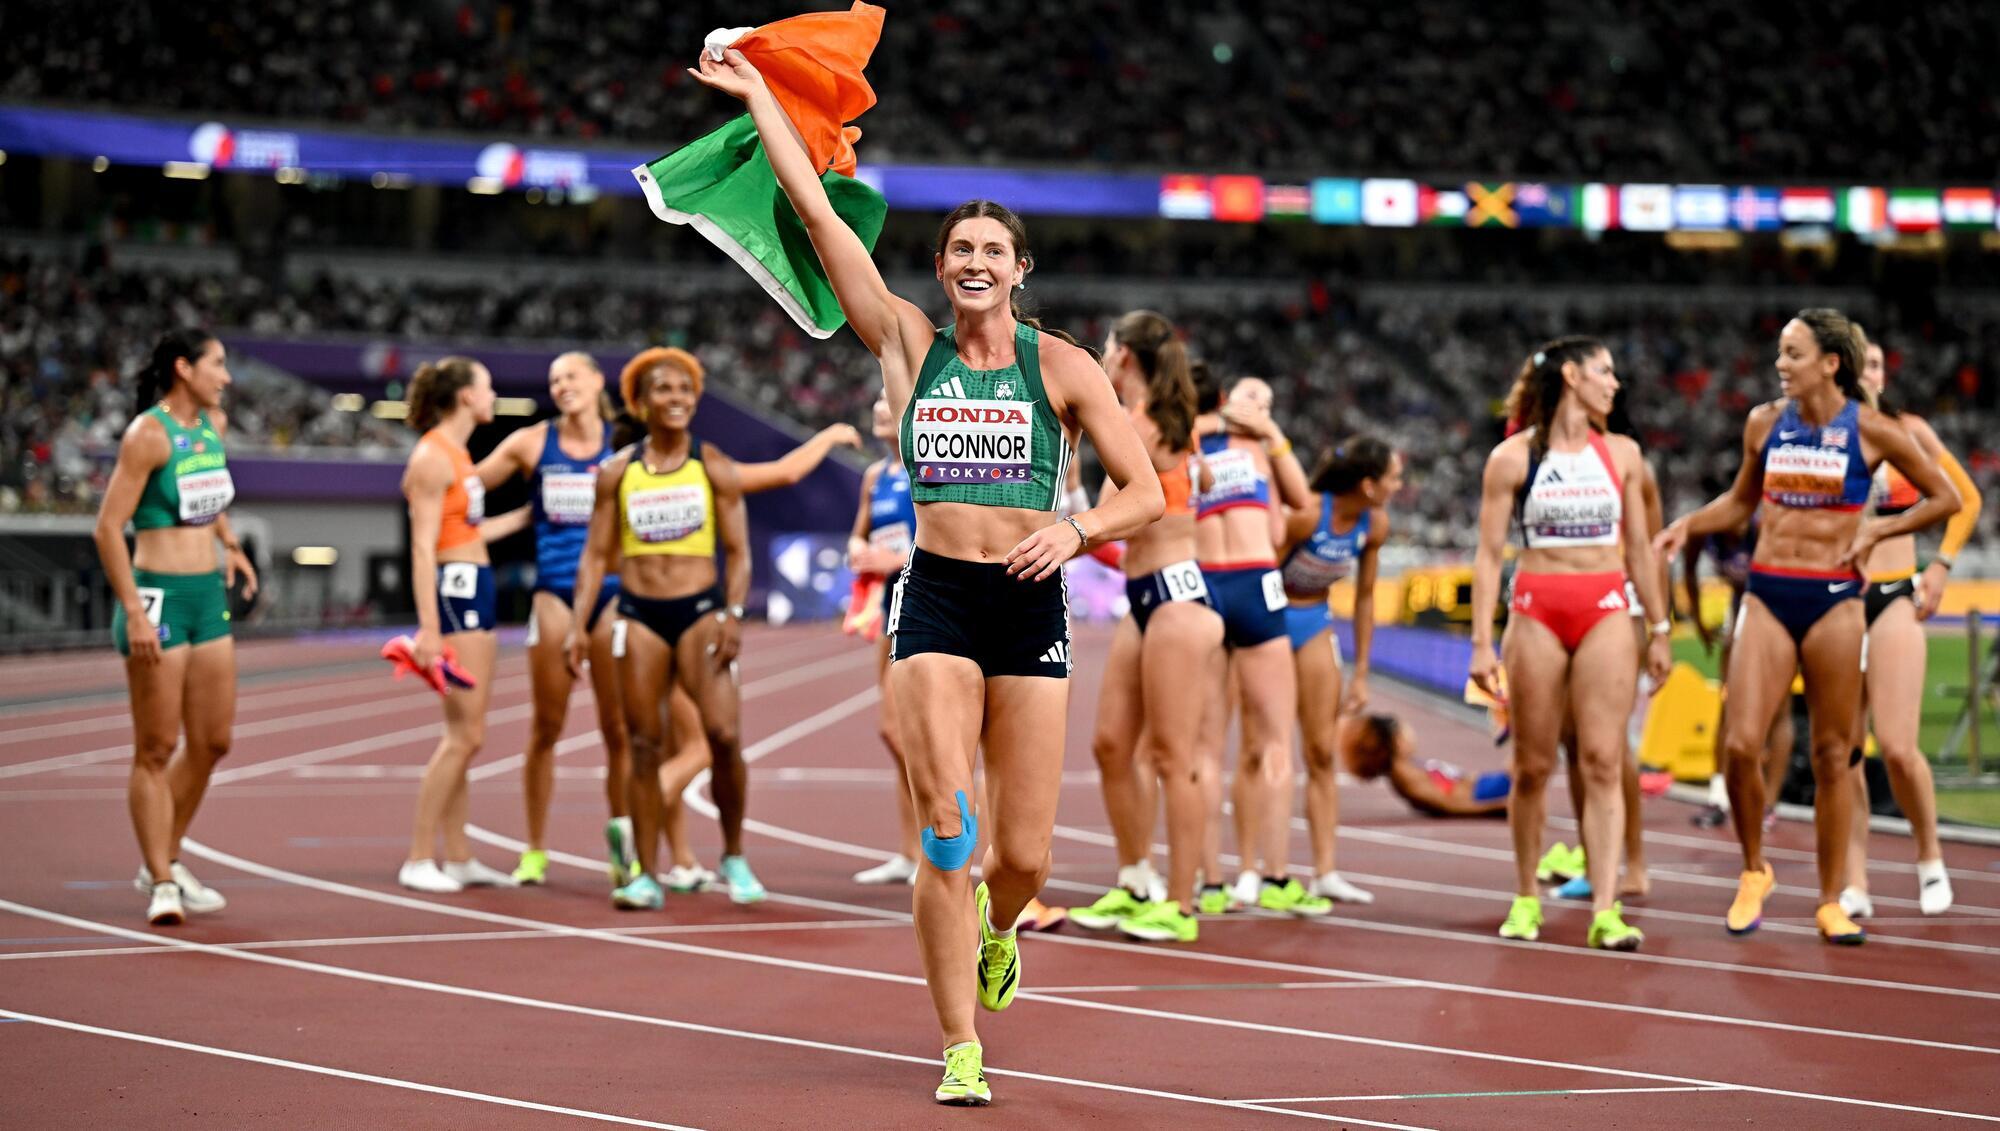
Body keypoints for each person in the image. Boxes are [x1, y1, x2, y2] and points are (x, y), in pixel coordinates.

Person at [693, 48, 1164, 1106]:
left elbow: (1145, 492)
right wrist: (764, 99)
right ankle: (960, 1043)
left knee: (1024, 855)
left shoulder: (1062, 365)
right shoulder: (906, 343)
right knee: (948, 828)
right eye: (960, 248)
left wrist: (1077, 531)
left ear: (1020, 269)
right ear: (943, 267)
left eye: (994, 249)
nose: (975, 261)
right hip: (938, 597)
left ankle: (1002, 926)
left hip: (1029, 605)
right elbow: (819, 217)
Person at [1654, 309, 1959, 945]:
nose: (1780, 365)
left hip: (1835, 601)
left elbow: (1947, 498)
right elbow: (1741, 503)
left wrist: (1878, 529)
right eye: (1780, 353)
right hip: (1768, 592)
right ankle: (1754, 870)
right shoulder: (1764, 423)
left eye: (1793, 354)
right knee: (1741, 744)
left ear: (1830, 363)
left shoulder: (1872, 430)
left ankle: (1829, 900)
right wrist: (1689, 525)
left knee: (1831, 755)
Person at [1469, 336, 1671, 950]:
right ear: (1571, 376)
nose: (1614, 383)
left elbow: (1639, 549)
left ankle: (1606, 909)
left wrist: (1660, 627)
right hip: (1536, 609)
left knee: (1604, 759)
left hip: (1605, 606)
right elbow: (1488, 555)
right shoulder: (1511, 458)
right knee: (1532, 765)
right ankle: (1525, 896)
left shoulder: (1624, 454)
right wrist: (1481, 643)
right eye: (1604, 371)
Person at [568, 347, 758, 910]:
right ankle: (646, 874)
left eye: (684, 389)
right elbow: (593, 555)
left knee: (723, 735)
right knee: (643, 743)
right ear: (641, 402)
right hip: (639, 616)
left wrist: (734, 612)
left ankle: (733, 855)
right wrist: (578, 626)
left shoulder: (713, 464)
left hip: (700, 612)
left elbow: (739, 552)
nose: (676, 398)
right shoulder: (616, 473)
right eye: (663, 389)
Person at [95, 329, 257, 925]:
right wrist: (135, 611)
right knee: (157, 748)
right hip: (158, 599)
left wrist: (230, 544)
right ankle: (162, 878)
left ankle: (163, 853)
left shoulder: (212, 425)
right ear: (185, 368)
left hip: (206, 597)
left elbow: (210, 497)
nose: (227, 377)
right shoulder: (148, 434)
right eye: (219, 364)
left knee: (214, 741)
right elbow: (107, 528)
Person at [1068, 310, 1219, 944]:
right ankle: (1136, 881)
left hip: (1178, 599)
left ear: (1125, 356)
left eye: (1107, 347)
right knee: (1111, 744)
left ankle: (1179, 905)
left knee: (1170, 756)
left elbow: (1107, 523)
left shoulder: (1145, 423)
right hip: (1146, 594)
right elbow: (1115, 535)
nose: (1102, 357)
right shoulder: (1161, 422)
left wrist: (1066, 511)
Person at [1840, 331, 1980, 918]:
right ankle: (1855, 881)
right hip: (1837, 601)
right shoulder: (1826, 436)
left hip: (1896, 592)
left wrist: (1940, 564)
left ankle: (1929, 858)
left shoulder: (1910, 431)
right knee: (1844, 752)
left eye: (1876, 364)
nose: (1870, 373)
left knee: (1897, 747)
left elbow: (1965, 499)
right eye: (1860, 365)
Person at [1192, 375, 1330, 917]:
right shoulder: (1194, 435)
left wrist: (1273, 435)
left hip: (1255, 581)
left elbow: (1303, 502)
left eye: (1270, 403)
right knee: (1206, 747)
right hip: (1206, 580)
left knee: (1275, 741)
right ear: (1227, 398)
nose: (1261, 407)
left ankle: (1274, 875)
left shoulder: (1266, 451)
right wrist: (1225, 424)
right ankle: (1210, 880)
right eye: (1254, 397)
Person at [397, 357, 515, 893]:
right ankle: (420, 856)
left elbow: (467, 531)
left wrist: (527, 516)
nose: (493, 395)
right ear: (466, 395)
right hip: (455, 592)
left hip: (475, 584)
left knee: (469, 735)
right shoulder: (432, 457)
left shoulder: (460, 455)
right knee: (463, 734)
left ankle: (460, 856)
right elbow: (423, 549)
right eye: (488, 387)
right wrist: (429, 629)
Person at [1279, 435, 1403, 904]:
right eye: (1393, 477)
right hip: (1271, 621)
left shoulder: (1375, 524)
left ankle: (1325, 871)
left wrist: (1362, 672)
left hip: (1314, 621)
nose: (1399, 485)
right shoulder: (1308, 513)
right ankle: (1255, 870)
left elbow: (1367, 598)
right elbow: (1260, 573)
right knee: (1262, 748)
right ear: (1368, 484)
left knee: (1320, 752)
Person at [848, 393, 923, 885]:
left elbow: (946, 537)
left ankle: (945, 829)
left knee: (900, 732)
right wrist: (858, 549)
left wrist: (895, 559)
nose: (879, 407)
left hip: (921, 598)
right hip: (888, 603)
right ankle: (910, 853)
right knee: (896, 733)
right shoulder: (875, 476)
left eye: (886, 398)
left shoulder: (925, 467)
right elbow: (859, 532)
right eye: (874, 400)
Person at [1683, 515, 1795, 831]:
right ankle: (1718, 797)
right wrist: (1699, 620)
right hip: (1742, 609)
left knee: (1779, 707)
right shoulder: (1706, 533)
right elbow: (1688, 571)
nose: (1739, 524)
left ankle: (1769, 803)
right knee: (1728, 703)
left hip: (1782, 609)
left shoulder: (1762, 529)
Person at [1341, 714, 1509, 818]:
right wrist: (1502, 805)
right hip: (1489, 793)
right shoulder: (1407, 779)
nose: (1411, 737)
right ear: (1396, 741)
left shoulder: (1409, 768)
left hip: (1489, 785)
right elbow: (1450, 805)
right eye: (1405, 733)